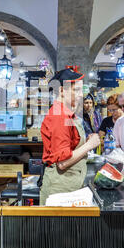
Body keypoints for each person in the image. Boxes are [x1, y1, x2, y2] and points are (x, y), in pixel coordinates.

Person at [39, 68, 100, 205]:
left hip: (68, 184)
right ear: (61, 91)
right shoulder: (59, 116)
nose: (80, 95)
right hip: (60, 187)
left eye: (81, 90)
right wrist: (89, 145)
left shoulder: (66, 114)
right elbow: (63, 163)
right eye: (76, 90)